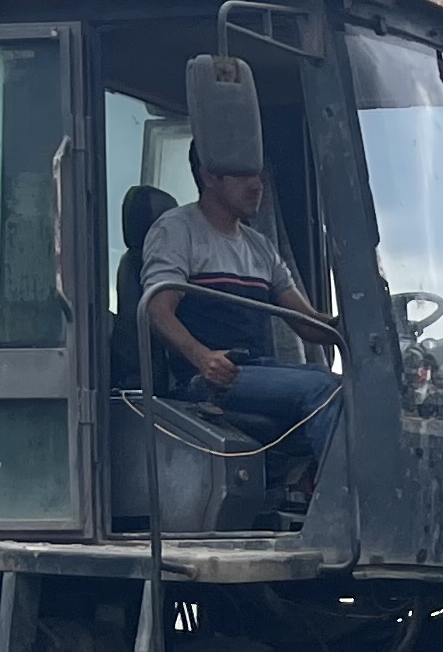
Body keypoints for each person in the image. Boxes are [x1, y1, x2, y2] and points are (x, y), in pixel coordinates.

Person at [139, 153, 343, 509]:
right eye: (244, 174)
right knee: (323, 390)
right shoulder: (177, 231)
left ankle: (307, 487)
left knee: (347, 389)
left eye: (259, 175)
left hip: (256, 370)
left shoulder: (259, 246)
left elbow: (306, 323)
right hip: (206, 378)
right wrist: (203, 358)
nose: (257, 185)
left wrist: (362, 326)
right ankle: (344, 508)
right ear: (210, 176)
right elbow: (157, 310)